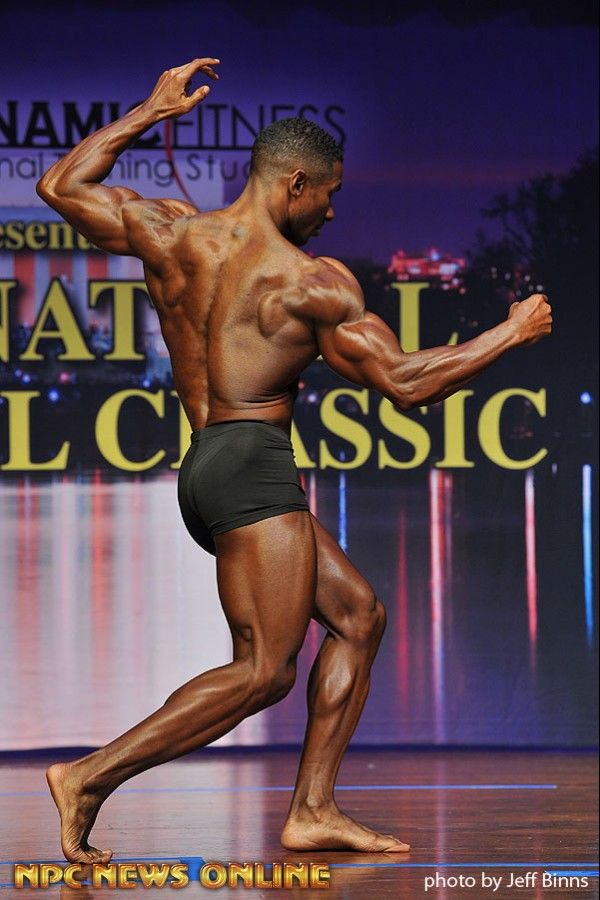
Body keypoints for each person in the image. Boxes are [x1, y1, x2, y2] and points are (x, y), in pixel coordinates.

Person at [36, 57, 552, 864]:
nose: (333, 212)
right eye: (329, 195)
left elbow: (61, 186)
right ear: (295, 184)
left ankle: (312, 810)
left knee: (358, 617)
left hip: (208, 463)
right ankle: (88, 777)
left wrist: (149, 112)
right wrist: (509, 335)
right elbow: (405, 383)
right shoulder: (307, 283)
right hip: (252, 463)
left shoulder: (171, 232)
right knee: (264, 672)